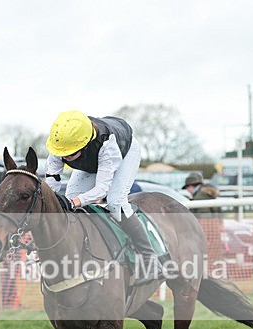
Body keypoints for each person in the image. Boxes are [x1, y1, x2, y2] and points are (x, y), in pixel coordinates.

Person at [43, 110, 163, 284]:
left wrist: (75, 201)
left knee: (116, 203)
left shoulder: (108, 146)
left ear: (84, 144)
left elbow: (101, 189)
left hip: (125, 151)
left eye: (69, 154)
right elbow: (52, 182)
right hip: (93, 158)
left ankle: (151, 260)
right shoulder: (60, 145)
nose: (63, 157)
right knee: (68, 202)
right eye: (62, 153)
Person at [181, 172, 222, 262]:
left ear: (191, 186)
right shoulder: (208, 195)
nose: (188, 190)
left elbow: (204, 219)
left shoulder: (200, 197)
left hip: (208, 233)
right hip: (214, 231)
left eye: (188, 187)